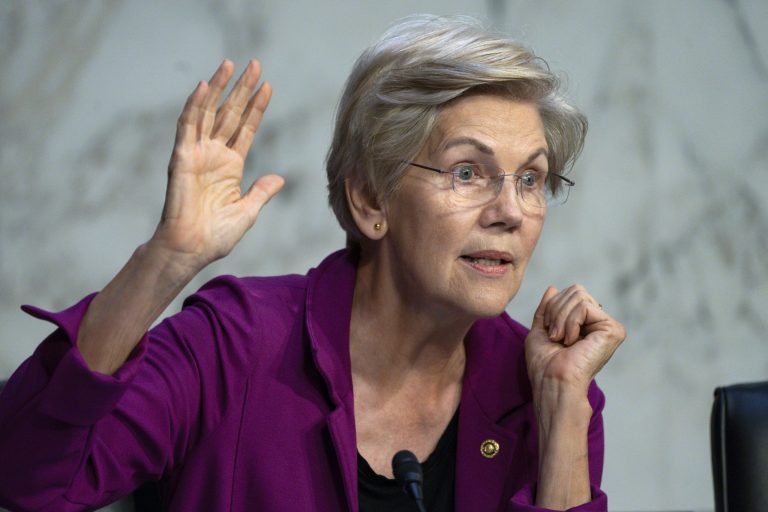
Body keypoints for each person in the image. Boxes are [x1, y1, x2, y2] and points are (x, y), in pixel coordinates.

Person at [0, 14, 625, 512]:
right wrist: (167, 260)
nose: (510, 211)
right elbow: (27, 479)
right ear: (371, 198)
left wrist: (564, 410)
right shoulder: (236, 343)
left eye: (531, 179)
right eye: (467, 172)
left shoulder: (546, 390)